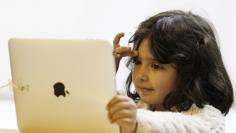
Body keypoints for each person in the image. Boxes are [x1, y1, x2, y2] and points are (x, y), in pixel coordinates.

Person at [106, 10, 234, 133]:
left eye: (156, 66)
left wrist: (137, 122)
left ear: (189, 71)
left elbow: (198, 129)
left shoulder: (210, 119)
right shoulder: (139, 107)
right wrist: (105, 74)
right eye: (137, 62)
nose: (140, 76)